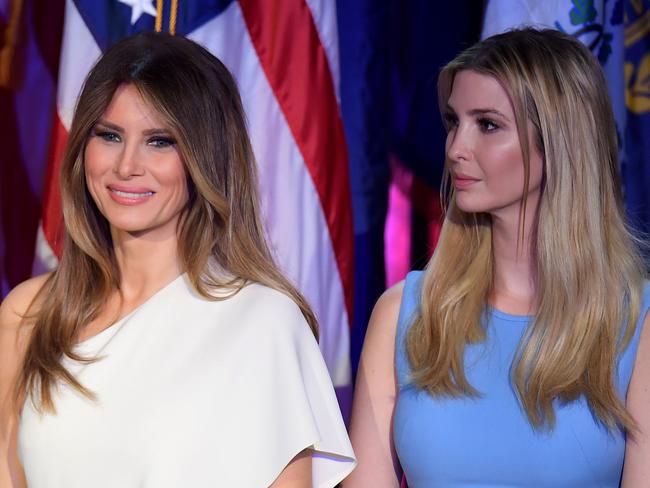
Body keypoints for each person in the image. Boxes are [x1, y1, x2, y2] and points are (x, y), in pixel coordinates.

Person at [0, 32, 355, 488]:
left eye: (159, 141)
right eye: (109, 135)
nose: (126, 166)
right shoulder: (28, 313)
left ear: (205, 158)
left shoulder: (262, 322)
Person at [344, 28, 650, 488]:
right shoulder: (402, 314)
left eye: (486, 124)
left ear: (559, 144)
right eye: (453, 122)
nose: (455, 149)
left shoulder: (637, 325)